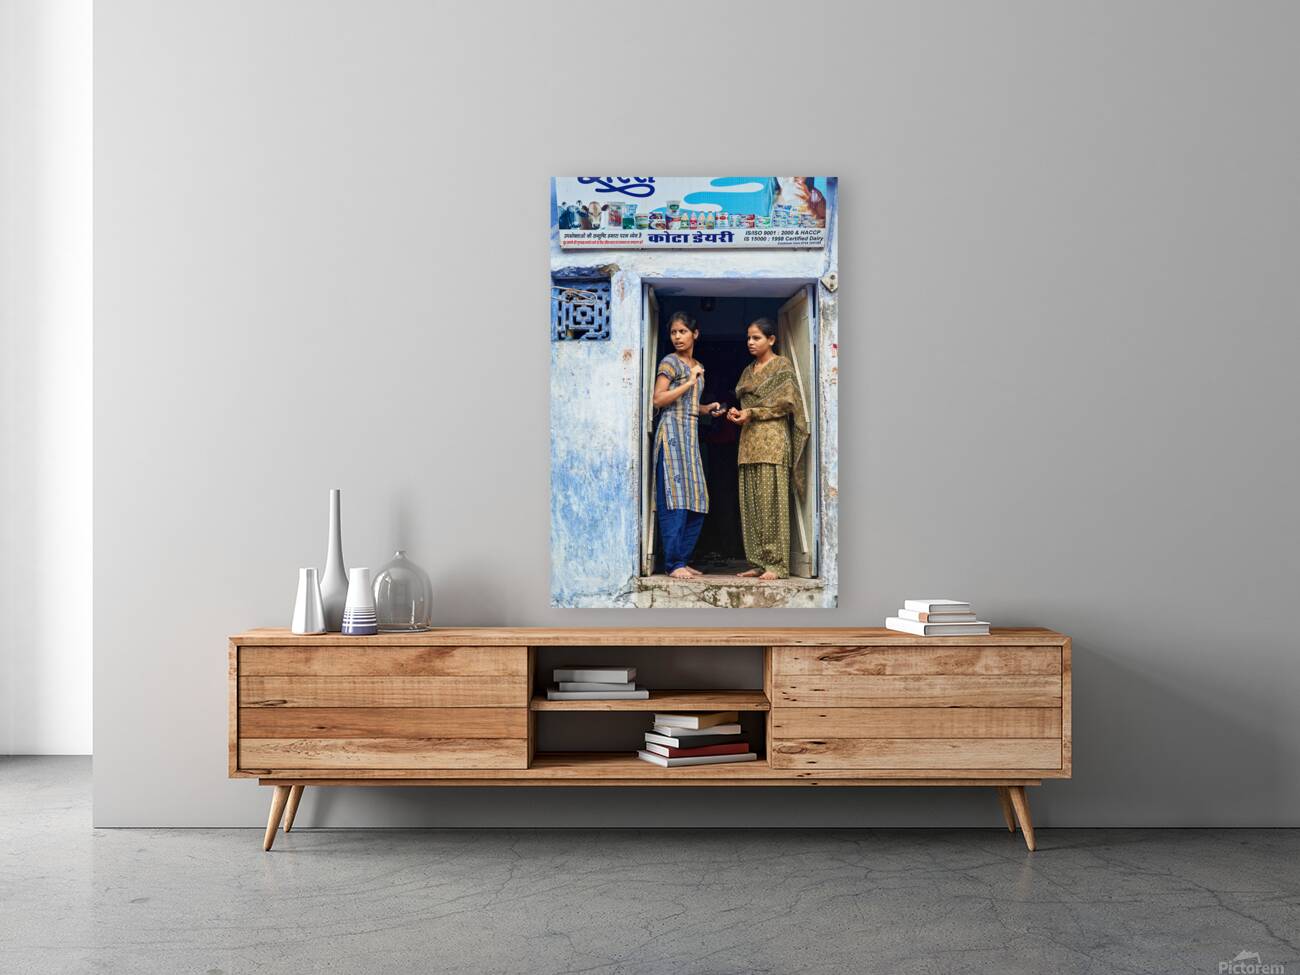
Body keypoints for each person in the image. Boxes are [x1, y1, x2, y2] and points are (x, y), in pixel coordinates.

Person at [727, 318, 809, 580]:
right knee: (750, 504)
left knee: (771, 503)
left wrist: (751, 412)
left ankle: (777, 564)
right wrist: (737, 413)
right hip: (749, 443)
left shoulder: (782, 367)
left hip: (772, 442)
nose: (750, 342)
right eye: (749, 338)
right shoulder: (747, 371)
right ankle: (758, 561)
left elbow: (786, 404)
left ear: (771, 339)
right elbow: (746, 405)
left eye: (756, 338)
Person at [653, 312, 723, 579]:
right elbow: (658, 399)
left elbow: (689, 404)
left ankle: (682, 558)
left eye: (682, 331)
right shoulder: (670, 363)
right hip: (671, 436)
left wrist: (707, 409)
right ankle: (672, 564)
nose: (677, 337)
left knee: (697, 500)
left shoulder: (697, 364)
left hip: (690, 437)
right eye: (673, 332)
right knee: (674, 498)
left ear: (695, 334)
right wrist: (691, 382)